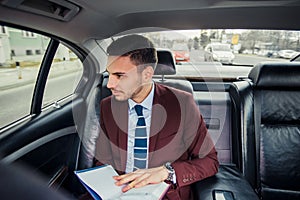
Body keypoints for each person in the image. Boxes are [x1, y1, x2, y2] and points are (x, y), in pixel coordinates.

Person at [93, 34, 219, 199]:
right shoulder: (108, 106)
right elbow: (103, 160)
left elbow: (210, 161)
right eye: (109, 74)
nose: (109, 84)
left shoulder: (182, 104)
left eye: (119, 76)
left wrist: (167, 172)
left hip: (165, 195)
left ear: (146, 75)